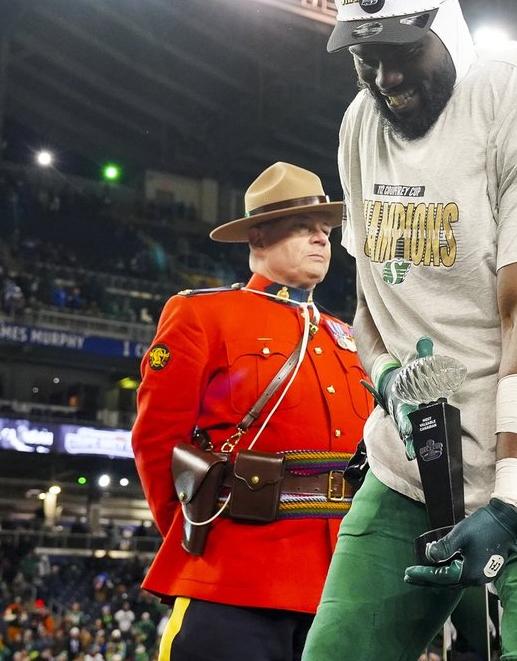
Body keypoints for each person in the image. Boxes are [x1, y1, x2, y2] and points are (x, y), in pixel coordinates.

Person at [303, 0, 517, 661]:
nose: (384, 78)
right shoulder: (359, 126)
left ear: (447, 23)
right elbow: (372, 305)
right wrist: (388, 382)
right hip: (415, 466)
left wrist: (508, 500)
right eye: (364, 55)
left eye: (402, 51)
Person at [132, 162, 374, 661]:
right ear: (259, 236)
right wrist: (199, 531)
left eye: (325, 230)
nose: (320, 239)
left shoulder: (350, 338)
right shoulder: (204, 314)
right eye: (303, 227)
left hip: (340, 583)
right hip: (234, 578)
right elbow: (156, 440)